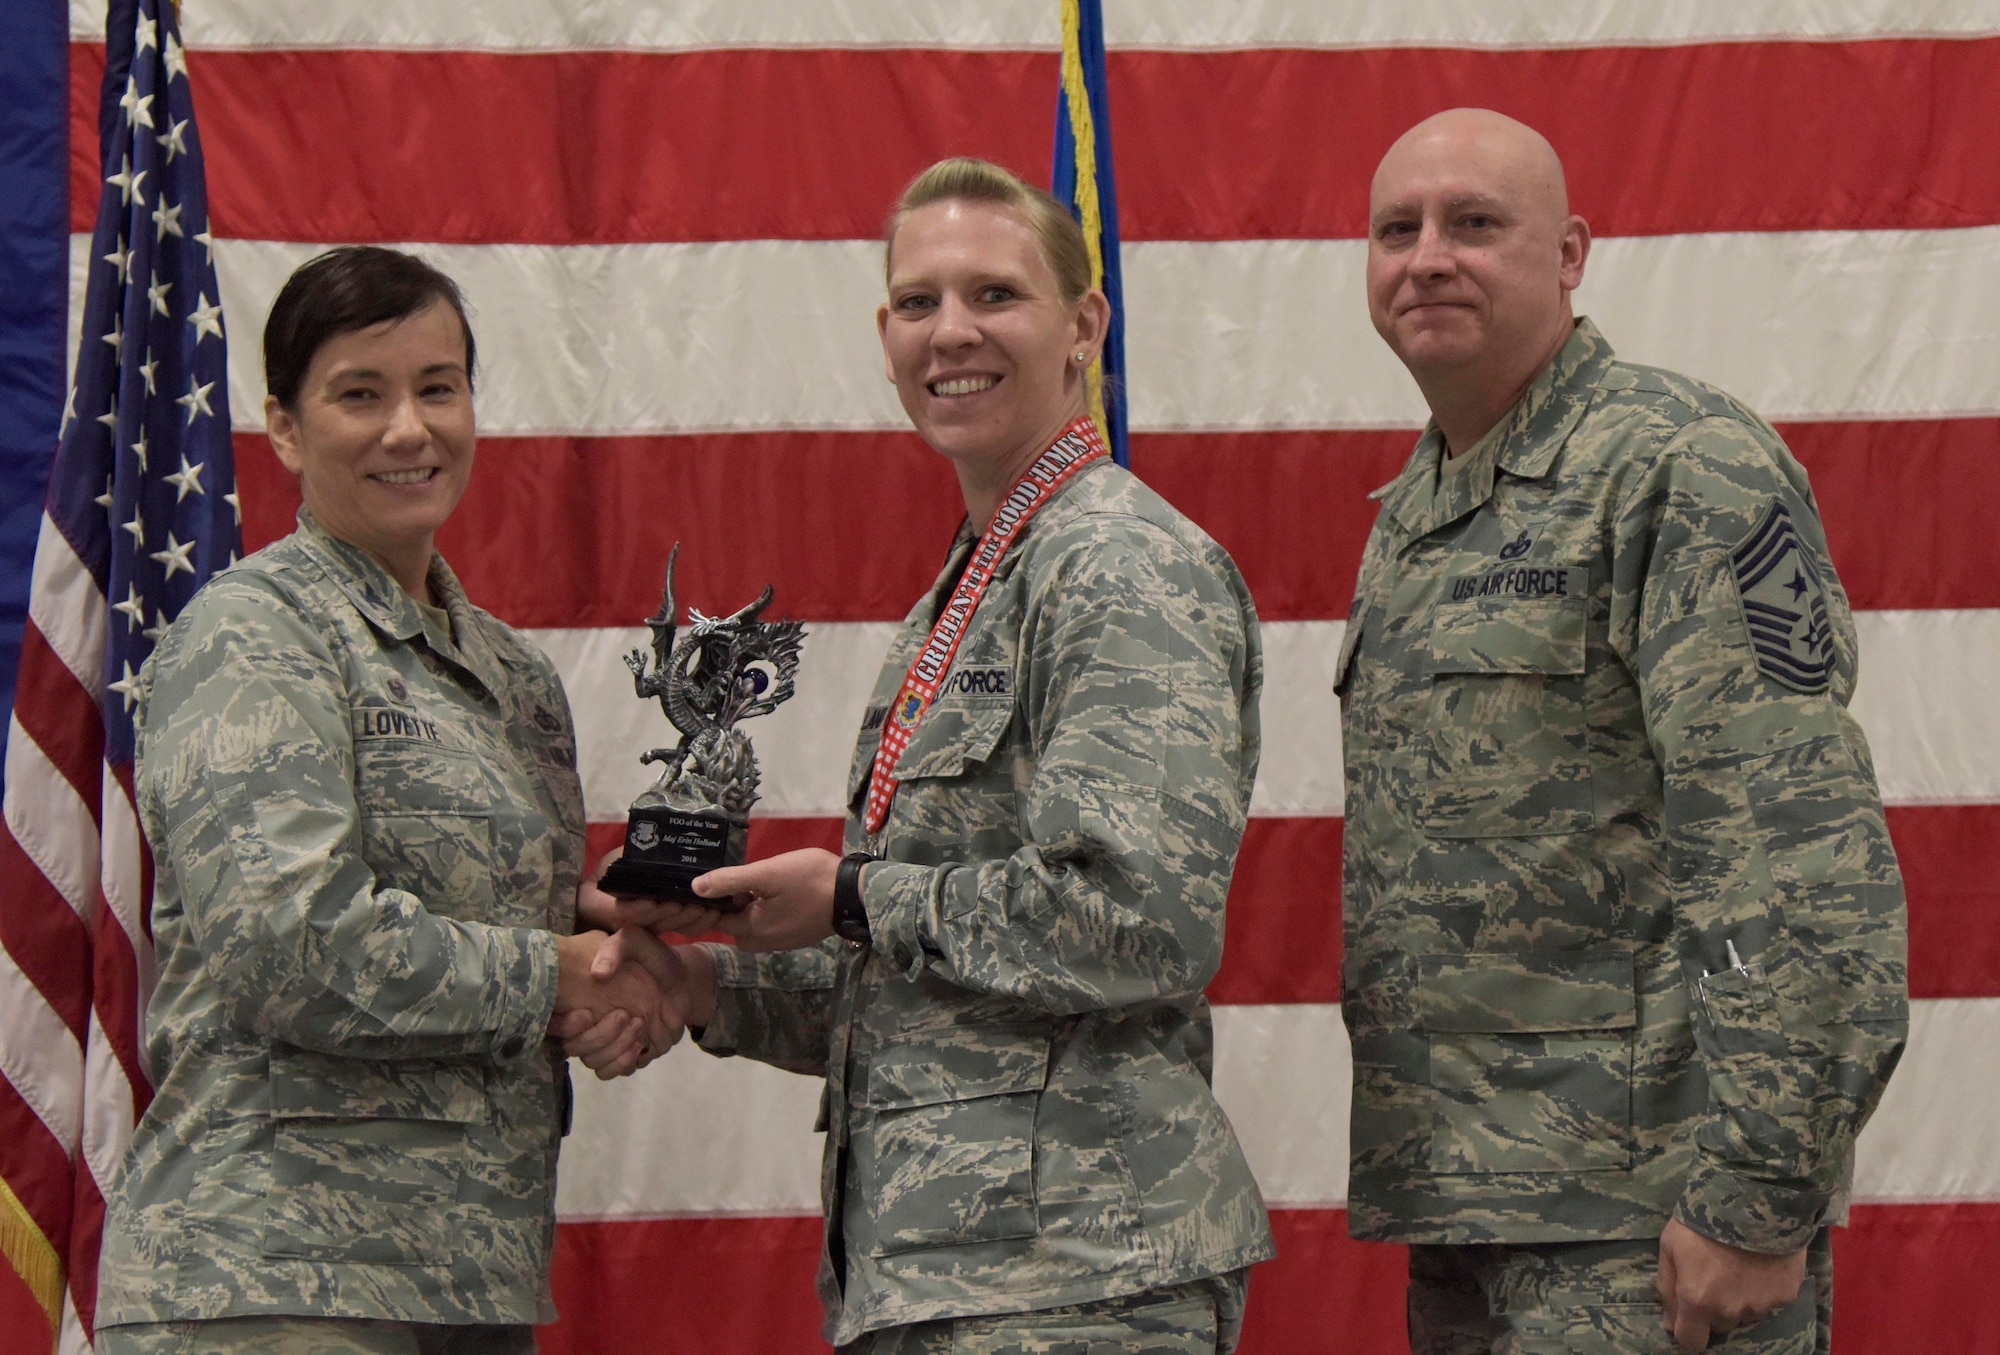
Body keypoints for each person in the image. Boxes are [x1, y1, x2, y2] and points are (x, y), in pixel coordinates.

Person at [587, 157, 1274, 1353]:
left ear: (1082, 327)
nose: (950, 331)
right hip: (949, 1276)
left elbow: (1136, 921)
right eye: (917, 302)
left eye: (993, 294)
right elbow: (936, 989)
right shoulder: (976, 582)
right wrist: (704, 980)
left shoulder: (1115, 564)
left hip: (1075, 1283)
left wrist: (851, 892)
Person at [1335, 109, 1909, 1354]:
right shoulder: (1417, 510)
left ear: (1569, 254)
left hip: (1647, 1222)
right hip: (1474, 1207)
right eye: (1397, 229)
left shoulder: (1675, 463)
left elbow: (1790, 843)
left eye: (1473, 225)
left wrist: (1756, 1194)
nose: (1425, 256)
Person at [95, 246, 678, 1355]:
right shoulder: (255, 632)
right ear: (283, 425)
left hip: (471, 1279)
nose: (409, 428)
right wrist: (549, 972)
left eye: (438, 387)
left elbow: (533, 948)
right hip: (267, 1278)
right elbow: (288, 941)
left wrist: (622, 976)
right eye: (360, 394)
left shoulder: (514, 678)